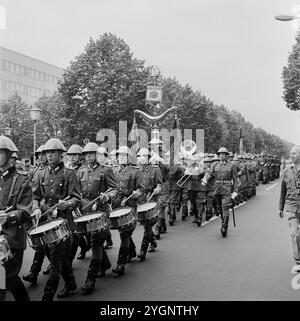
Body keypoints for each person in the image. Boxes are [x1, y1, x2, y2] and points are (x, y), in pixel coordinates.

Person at [32, 138, 81, 301]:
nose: (49, 155)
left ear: (61, 154)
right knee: (61, 259)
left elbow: (76, 199)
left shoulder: (69, 173)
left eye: (53, 152)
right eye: (47, 152)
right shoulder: (41, 173)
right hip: (45, 223)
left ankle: (47, 296)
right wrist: (37, 207)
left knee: (55, 261)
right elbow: (35, 196)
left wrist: (67, 204)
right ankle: (71, 284)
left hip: (63, 224)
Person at [77, 142, 117, 294]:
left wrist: (107, 196)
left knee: (95, 242)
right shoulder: (81, 171)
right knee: (94, 241)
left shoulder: (106, 170)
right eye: (86, 154)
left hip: (101, 211)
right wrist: (83, 203)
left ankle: (90, 279)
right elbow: (78, 193)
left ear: (97, 154)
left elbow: (114, 190)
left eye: (91, 153)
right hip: (87, 211)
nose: (88, 156)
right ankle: (105, 264)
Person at [0, 136, 32, 301]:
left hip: (13, 238)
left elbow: (25, 212)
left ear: (7, 153)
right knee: (8, 279)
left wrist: (8, 217)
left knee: (7, 278)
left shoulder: (22, 179)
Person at [23, 144, 52, 285]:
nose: (40, 157)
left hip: (50, 211)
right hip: (37, 212)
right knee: (41, 242)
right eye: (38, 154)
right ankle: (35, 272)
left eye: (43, 154)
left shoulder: (51, 172)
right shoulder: (33, 171)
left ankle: (35, 271)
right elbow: (29, 191)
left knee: (48, 242)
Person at [112, 146, 144, 275]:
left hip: (130, 205)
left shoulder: (136, 171)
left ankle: (121, 263)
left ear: (129, 157)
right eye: (119, 156)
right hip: (117, 205)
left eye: (123, 156)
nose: (121, 158)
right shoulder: (115, 171)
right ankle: (132, 250)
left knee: (125, 233)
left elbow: (140, 189)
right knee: (122, 232)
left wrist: (137, 193)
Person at [203, 147, 238, 237]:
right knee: (219, 207)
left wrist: (235, 191)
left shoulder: (232, 165)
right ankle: (223, 219)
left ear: (226, 156)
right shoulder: (215, 165)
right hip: (217, 189)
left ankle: (224, 226)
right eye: (220, 154)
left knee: (225, 207)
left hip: (227, 189)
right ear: (218, 155)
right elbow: (210, 174)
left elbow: (235, 179)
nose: (222, 155)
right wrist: (205, 180)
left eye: (224, 154)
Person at [136, 148, 162, 260]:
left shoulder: (155, 169)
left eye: (144, 156)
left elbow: (160, 185)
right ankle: (153, 241)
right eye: (140, 156)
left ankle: (143, 250)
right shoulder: (136, 171)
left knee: (148, 226)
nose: (142, 158)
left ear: (149, 157)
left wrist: (157, 190)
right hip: (141, 200)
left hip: (151, 200)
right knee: (145, 223)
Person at [66, 144, 91, 261]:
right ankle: (83, 247)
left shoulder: (85, 169)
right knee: (75, 231)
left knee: (84, 230)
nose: (71, 157)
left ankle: (85, 247)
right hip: (71, 204)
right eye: (70, 155)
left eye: (74, 155)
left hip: (83, 203)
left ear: (80, 156)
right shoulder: (67, 169)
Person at [279, 146, 300, 274]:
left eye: (294, 153)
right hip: (292, 208)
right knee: (295, 235)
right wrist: (280, 208)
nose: (291, 155)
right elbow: (283, 191)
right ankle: (298, 261)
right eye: (290, 153)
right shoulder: (286, 171)